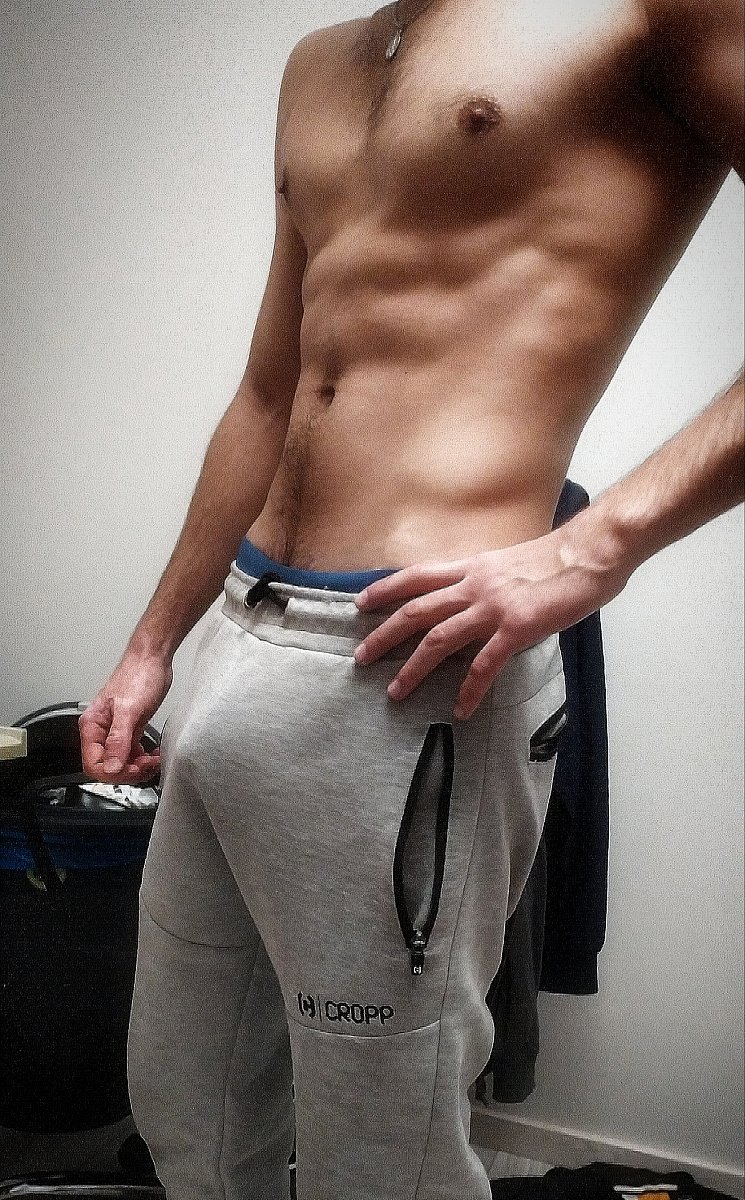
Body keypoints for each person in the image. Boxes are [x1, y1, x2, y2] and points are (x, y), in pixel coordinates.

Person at [79, 2, 744, 1197]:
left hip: (408, 667)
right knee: (186, 1102)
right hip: (240, 633)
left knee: (381, 1147)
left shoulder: (644, 12)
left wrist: (598, 546)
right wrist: (152, 644)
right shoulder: (322, 60)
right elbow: (270, 389)